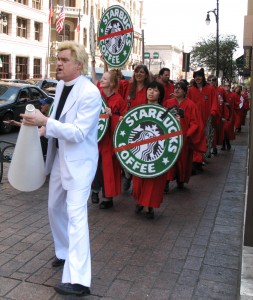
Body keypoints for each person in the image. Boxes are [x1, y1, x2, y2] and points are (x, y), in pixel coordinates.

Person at [21, 41, 102, 297]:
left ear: (79, 65)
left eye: (64, 60)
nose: (59, 63)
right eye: (58, 58)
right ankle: (64, 252)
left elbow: (78, 133)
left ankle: (79, 280)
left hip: (79, 164)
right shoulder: (60, 88)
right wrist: (39, 129)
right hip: (59, 159)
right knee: (54, 207)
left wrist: (45, 121)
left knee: (77, 218)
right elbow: (58, 122)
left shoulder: (90, 92)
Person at [91, 68, 127, 209]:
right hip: (95, 140)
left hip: (109, 141)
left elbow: (124, 122)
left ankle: (107, 197)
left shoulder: (119, 100)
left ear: (112, 83)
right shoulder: (96, 96)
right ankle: (94, 191)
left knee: (107, 169)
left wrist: (112, 116)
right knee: (94, 167)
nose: (101, 81)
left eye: (105, 79)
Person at [132, 81, 167, 219]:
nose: (151, 92)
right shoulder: (138, 110)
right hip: (140, 151)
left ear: (160, 94)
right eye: (150, 89)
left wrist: (175, 122)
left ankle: (150, 206)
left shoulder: (165, 114)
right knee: (139, 180)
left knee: (153, 181)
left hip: (156, 152)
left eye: (155, 90)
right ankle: (140, 201)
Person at [163, 81, 203, 189]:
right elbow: (162, 118)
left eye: (179, 88)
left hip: (183, 138)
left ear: (185, 91)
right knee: (168, 158)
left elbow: (195, 123)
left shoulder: (191, 105)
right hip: (169, 137)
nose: (176, 90)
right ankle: (166, 181)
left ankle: (181, 180)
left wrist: (188, 134)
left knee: (183, 160)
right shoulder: (168, 103)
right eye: (175, 88)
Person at [187, 68, 218, 174]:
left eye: (199, 76)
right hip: (195, 119)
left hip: (206, 118)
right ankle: (196, 161)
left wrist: (213, 112)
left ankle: (199, 160)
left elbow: (214, 102)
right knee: (196, 139)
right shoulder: (191, 90)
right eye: (196, 77)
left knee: (205, 138)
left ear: (203, 77)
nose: (197, 79)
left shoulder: (210, 89)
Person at [207, 75, 229, 156]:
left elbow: (224, 104)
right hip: (208, 115)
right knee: (208, 132)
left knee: (215, 133)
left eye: (213, 80)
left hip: (218, 116)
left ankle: (214, 147)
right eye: (209, 80)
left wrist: (224, 116)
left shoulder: (220, 90)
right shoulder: (206, 90)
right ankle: (208, 150)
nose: (211, 81)